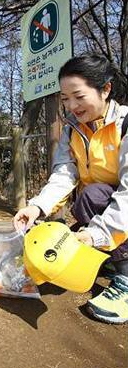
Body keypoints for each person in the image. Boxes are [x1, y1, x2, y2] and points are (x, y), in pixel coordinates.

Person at [14, 53, 128, 324]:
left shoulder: (124, 125)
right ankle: (113, 259)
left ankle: (125, 279)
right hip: (101, 204)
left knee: (92, 197)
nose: (72, 106)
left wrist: (96, 234)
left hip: (121, 207)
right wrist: (37, 206)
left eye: (78, 96)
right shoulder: (73, 129)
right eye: (65, 99)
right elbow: (64, 174)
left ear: (105, 89)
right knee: (86, 200)